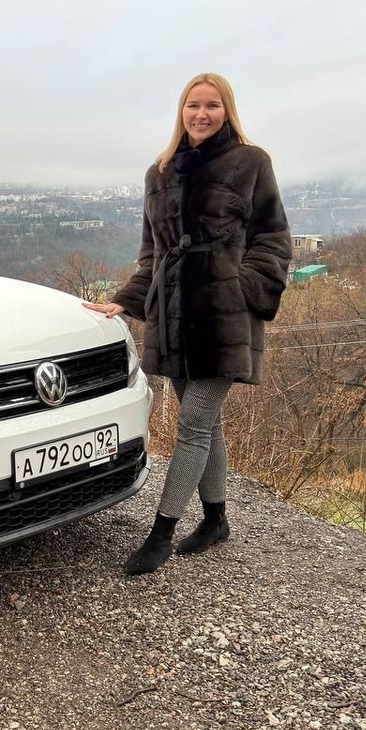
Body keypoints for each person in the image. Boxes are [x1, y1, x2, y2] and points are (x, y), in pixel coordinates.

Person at [83, 72, 292, 576]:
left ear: (227, 111)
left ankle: (161, 533)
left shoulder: (250, 162)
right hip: (173, 317)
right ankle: (216, 520)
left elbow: (273, 239)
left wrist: (241, 289)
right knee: (207, 424)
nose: (201, 114)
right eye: (193, 105)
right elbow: (152, 253)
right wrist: (125, 301)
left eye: (212, 105)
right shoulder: (159, 172)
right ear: (181, 111)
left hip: (225, 320)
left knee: (193, 424)